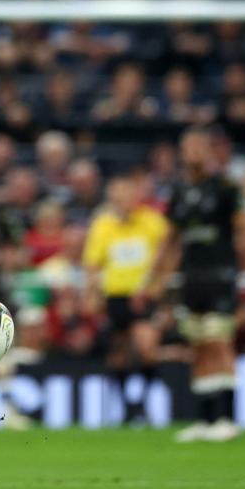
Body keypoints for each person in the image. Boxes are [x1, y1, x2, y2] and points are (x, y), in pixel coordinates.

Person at [142, 127, 245, 442]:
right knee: (197, 346)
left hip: (220, 275)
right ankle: (205, 420)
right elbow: (170, 240)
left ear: (208, 151)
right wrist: (152, 278)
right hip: (191, 278)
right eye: (187, 146)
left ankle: (227, 417)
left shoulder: (224, 188)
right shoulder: (178, 191)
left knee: (219, 341)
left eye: (197, 146)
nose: (191, 152)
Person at [83, 173, 169, 425]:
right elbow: (92, 264)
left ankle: (141, 400)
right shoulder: (103, 225)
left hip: (143, 296)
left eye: (126, 195)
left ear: (136, 196)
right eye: (116, 196)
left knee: (147, 349)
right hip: (115, 296)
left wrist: (157, 289)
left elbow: (166, 256)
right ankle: (126, 407)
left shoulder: (153, 222)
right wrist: (91, 294)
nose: (121, 201)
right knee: (118, 354)